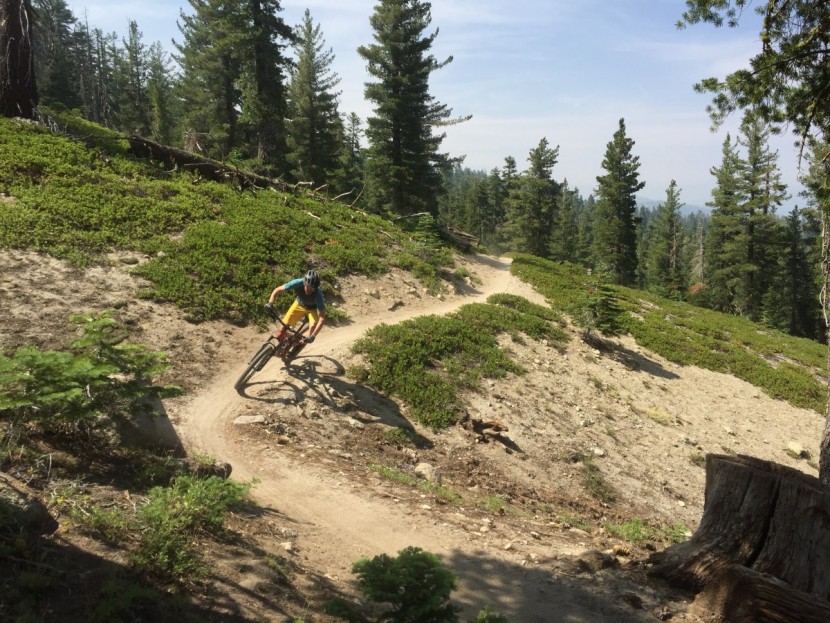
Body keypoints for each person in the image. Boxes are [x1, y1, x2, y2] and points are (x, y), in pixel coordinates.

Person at [265, 269, 326, 357]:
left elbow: (322, 318)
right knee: (284, 327)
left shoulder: (318, 295)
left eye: (313, 289)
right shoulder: (297, 282)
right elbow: (278, 290)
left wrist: (313, 336)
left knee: (312, 327)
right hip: (299, 304)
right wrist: (270, 303)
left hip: (313, 309)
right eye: (308, 287)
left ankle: (300, 345)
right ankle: (284, 344)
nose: (310, 290)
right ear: (304, 283)